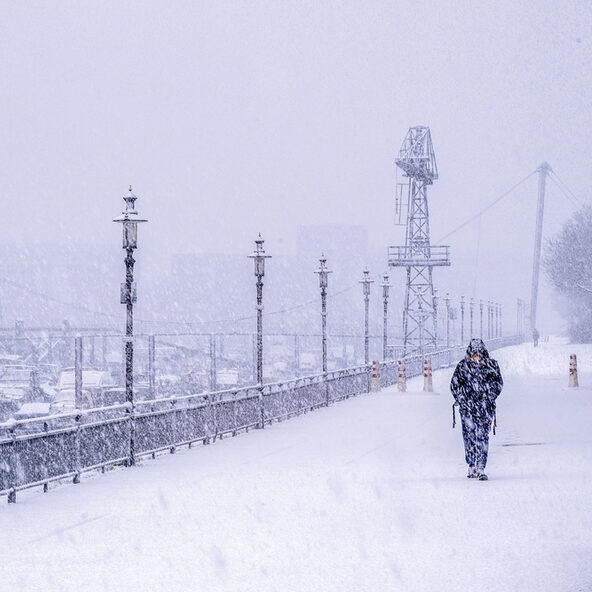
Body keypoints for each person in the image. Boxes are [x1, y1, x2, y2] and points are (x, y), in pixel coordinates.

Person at [450, 338, 503, 481]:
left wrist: (489, 397)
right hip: (467, 409)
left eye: (480, 354)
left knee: (483, 437)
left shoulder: (492, 366)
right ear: (470, 354)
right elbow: (454, 385)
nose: (477, 358)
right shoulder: (462, 367)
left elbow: (498, 384)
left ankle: (481, 467)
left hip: (486, 408)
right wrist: (462, 399)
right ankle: (471, 464)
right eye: (474, 355)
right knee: (469, 437)